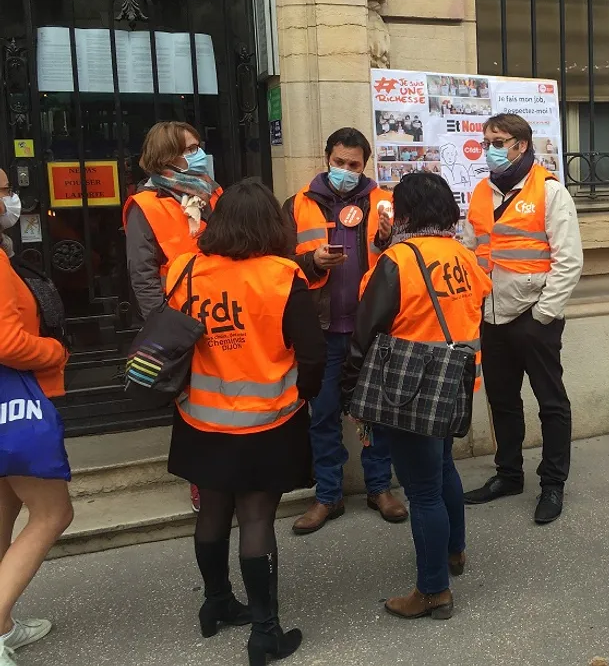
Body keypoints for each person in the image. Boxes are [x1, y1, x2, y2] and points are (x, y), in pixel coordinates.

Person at [165, 179, 324, 665]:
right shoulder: (282, 275)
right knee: (256, 518)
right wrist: (305, 396)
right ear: (273, 225)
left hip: (198, 417)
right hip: (268, 419)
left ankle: (215, 604)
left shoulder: (185, 268)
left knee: (213, 512)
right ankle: (265, 632)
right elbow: (313, 355)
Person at [340, 172, 492, 620]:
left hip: (408, 392)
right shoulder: (465, 256)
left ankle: (432, 592)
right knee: (443, 469)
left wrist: (351, 392)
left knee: (422, 491)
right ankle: (453, 553)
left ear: (402, 214)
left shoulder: (398, 260)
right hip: (456, 387)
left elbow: (365, 332)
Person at [461, 113, 583, 525]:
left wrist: (543, 315)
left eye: (499, 140)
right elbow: (470, 250)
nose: (490, 147)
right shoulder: (481, 192)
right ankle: (508, 475)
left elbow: (569, 261)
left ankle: (552, 483)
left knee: (551, 403)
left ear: (521, 145)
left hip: (535, 317)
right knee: (502, 401)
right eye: (486, 140)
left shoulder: (549, 193)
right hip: (492, 317)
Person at [285, 128, 407, 534]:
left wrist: (392, 239)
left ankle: (379, 488)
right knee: (322, 416)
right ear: (327, 158)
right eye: (339, 163)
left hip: (371, 327)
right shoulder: (298, 203)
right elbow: (279, 264)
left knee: (377, 412)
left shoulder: (386, 203)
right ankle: (328, 495)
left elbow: (408, 257)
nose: (346, 170)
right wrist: (312, 261)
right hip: (321, 329)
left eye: (354, 165)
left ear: (365, 165)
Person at [123, 121, 221, 514]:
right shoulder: (145, 206)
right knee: (190, 403)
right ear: (168, 157)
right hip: (179, 319)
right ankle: (201, 480)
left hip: (222, 309)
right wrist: (163, 328)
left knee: (219, 396)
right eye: (192, 148)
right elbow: (142, 273)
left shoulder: (210, 192)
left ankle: (225, 470)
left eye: (199, 146)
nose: (200, 153)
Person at [0, 170, 74, 666]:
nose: (10, 198)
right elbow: (7, 342)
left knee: (5, 508)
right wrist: (55, 351)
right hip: (14, 398)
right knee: (53, 512)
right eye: (1, 189)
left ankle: (5, 625)